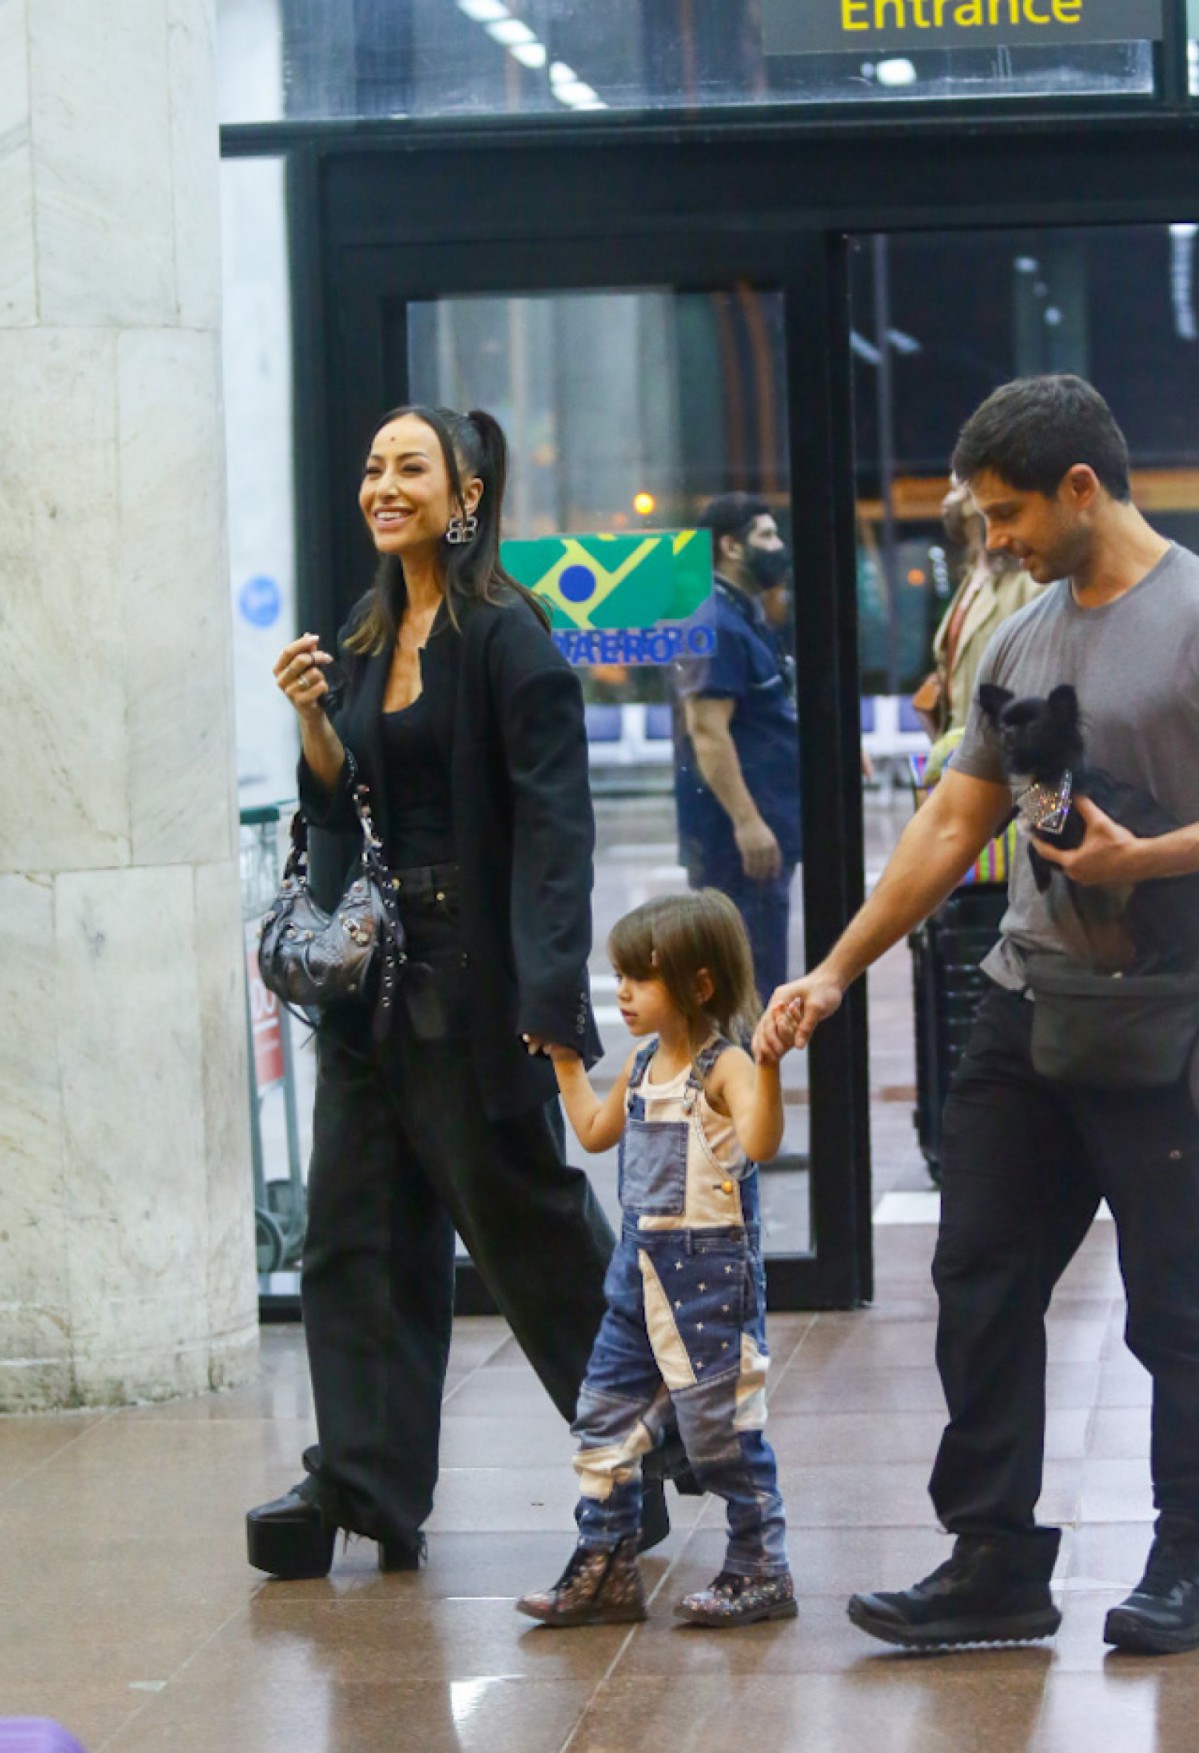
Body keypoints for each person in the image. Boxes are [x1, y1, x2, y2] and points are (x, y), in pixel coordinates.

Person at [758, 374, 1199, 1657]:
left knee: (1175, 1303)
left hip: (1163, 1018)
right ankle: (992, 1561)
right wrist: (832, 970)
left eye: (1004, 514)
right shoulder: (1015, 638)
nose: (991, 540)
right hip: (1022, 1009)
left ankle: (1184, 1555)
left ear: (1080, 487)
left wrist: (1143, 862)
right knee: (978, 1281)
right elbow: (954, 822)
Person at [246, 404, 677, 1579]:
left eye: (410, 468)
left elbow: (554, 832)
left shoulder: (508, 638)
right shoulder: (368, 629)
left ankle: (631, 1451)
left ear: (466, 493)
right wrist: (309, 720)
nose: (383, 485)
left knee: (526, 1229)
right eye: (373, 465)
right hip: (374, 984)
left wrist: (551, 1003)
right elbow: (342, 808)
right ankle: (363, 1483)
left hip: (472, 981)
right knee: (352, 1233)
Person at [517, 890, 798, 1629]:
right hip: (636, 1282)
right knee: (601, 1417)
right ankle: (605, 1565)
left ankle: (760, 1567)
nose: (623, 993)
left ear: (698, 985)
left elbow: (762, 1142)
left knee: (720, 1432)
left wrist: (768, 1066)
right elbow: (592, 1130)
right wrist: (567, 1062)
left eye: (639, 978)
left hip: (710, 1286)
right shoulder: (643, 1064)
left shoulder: (724, 1066)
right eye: (618, 977)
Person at [674, 494, 802, 1007]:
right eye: (766, 537)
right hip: (740, 842)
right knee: (744, 993)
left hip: (762, 828)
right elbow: (708, 731)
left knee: (758, 978)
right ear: (730, 546)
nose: (779, 548)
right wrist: (749, 823)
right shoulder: (715, 622)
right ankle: (741, 1086)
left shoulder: (741, 616)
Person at [914, 476, 1043, 740]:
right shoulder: (971, 578)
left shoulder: (1027, 583)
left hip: (1002, 759)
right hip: (959, 755)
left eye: (959, 486)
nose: (949, 498)